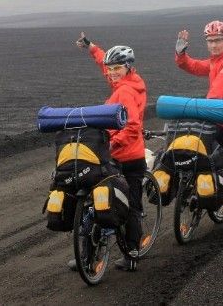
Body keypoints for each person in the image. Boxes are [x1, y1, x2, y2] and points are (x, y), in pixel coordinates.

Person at [69, 31, 147, 271]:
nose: (112, 72)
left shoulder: (126, 91)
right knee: (101, 202)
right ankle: (89, 256)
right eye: (110, 68)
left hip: (129, 157)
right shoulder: (124, 81)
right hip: (114, 156)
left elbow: (133, 126)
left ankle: (131, 253)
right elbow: (105, 63)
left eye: (117, 68)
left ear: (128, 67)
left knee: (128, 205)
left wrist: (113, 144)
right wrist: (92, 48)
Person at [175, 20, 223, 233]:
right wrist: (181, 53)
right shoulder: (215, 61)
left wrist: (201, 108)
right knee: (204, 158)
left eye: (218, 40)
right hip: (213, 117)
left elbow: (218, 91)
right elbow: (195, 66)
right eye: (210, 41)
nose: (214, 45)